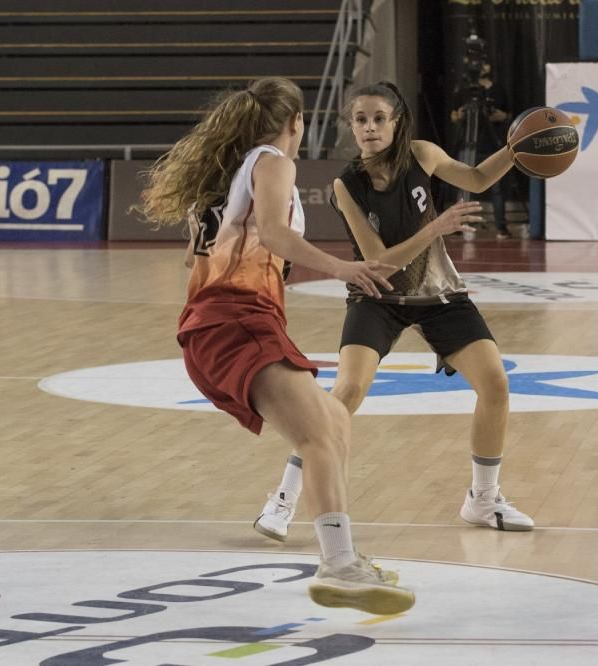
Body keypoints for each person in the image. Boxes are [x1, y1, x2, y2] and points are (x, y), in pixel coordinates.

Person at [142, 77, 414, 615]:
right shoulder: (272, 161)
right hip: (234, 320)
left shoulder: (226, 174)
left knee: (333, 423)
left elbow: (213, 255)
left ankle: (344, 555)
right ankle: (338, 565)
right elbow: (272, 233)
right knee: (318, 435)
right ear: (297, 123)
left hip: (222, 323)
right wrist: (344, 268)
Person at [254, 80, 534, 542]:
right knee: (345, 393)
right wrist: (437, 227)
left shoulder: (424, 154)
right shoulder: (347, 185)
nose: (370, 128)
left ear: (396, 121)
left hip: (438, 294)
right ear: (351, 127)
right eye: (360, 120)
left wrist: (515, 148)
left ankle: (483, 499)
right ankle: (281, 501)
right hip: (376, 295)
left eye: (379, 118)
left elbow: (479, 179)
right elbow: (381, 262)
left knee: (496, 384)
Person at [449, 62, 513, 239]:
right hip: (467, 144)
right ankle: (458, 225)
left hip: (491, 145)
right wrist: (461, 113)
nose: (478, 68)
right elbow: (453, 115)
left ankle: (501, 227)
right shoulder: (464, 91)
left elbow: (508, 115)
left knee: (496, 188)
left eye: (482, 63)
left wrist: (495, 115)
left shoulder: (498, 90)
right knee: (463, 185)